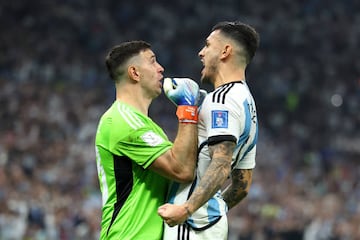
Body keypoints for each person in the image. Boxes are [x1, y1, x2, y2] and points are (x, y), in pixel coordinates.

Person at [158, 21, 260, 240]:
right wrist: (214, 210)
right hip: (209, 224)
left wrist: (187, 210)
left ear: (225, 51)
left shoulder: (221, 100)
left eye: (208, 45)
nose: (201, 53)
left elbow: (221, 165)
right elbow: (242, 185)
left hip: (190, 225)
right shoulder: (246, 102)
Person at [94, 40, 201, 239]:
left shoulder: (145, 125)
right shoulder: (120, 121)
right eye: (152, 62)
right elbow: (182, 169)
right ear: (134, 73)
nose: (161, 68)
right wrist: (188, 110)